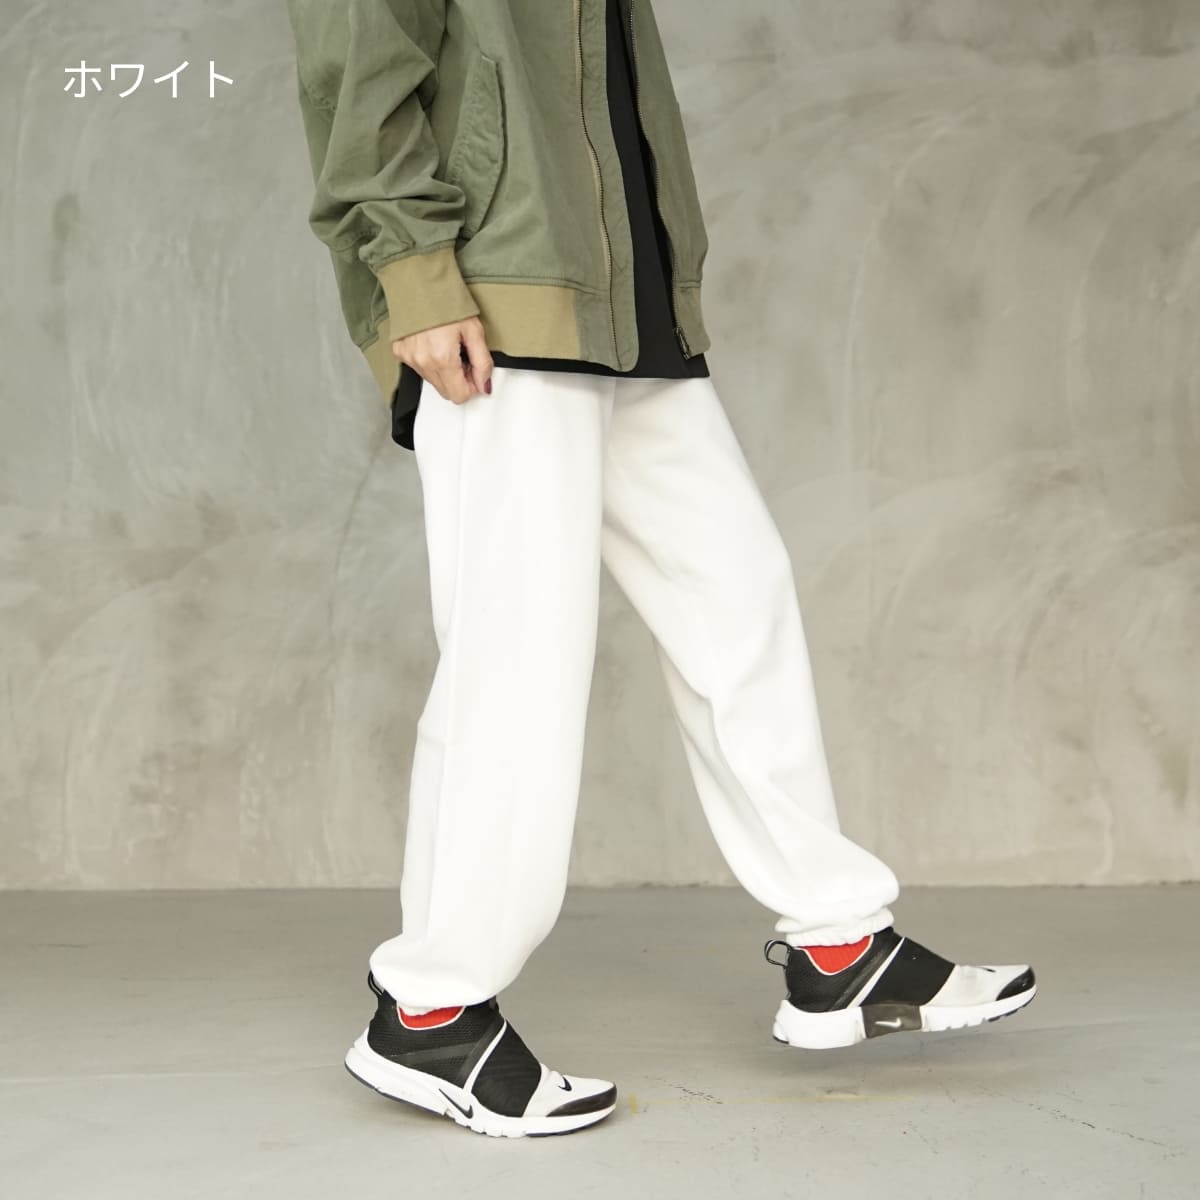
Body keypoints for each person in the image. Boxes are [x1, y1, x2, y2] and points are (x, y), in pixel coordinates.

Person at [283, 0, 1037, 1139]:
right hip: (500, 298)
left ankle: (840, 945)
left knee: (738, 595)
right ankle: (433, 1008)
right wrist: (416, 274)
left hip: (623, 301)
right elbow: (355, 64)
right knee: (517, 655)